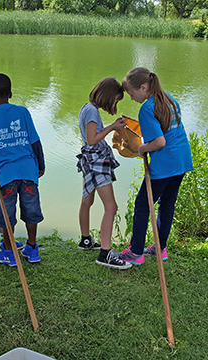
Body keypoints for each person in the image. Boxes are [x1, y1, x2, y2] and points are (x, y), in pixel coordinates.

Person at [118, 67, 194, 265]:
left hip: (165, 163)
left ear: (143, 87)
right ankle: (160, 248)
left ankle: (135, 253)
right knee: (167, 203)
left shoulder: (147, 108)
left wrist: (142, 148)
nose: (131, 97)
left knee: (143, 204)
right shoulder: (169, 99)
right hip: (182, 159)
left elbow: (160, 142)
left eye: (131, 93)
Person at [0, 73, 45, 266]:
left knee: (5, 214)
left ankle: (9, 252)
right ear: (11, 94)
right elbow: (35, 141)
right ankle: (32, 248)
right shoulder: (23, 111)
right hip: (28, 171)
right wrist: (40, 166)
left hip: (6, 175)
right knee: (31, 210)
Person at [76, 77, 131, 270]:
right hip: (97, 162)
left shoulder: (87, 107)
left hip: (89, 161)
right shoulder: (91, 111)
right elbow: (92, 139)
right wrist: (112, 127)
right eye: (115, 100)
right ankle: (105, 253)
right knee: (111, 207)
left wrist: (112, 125)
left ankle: (85, 240)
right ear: (107, 96)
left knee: (87, 201)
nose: (114, 104)